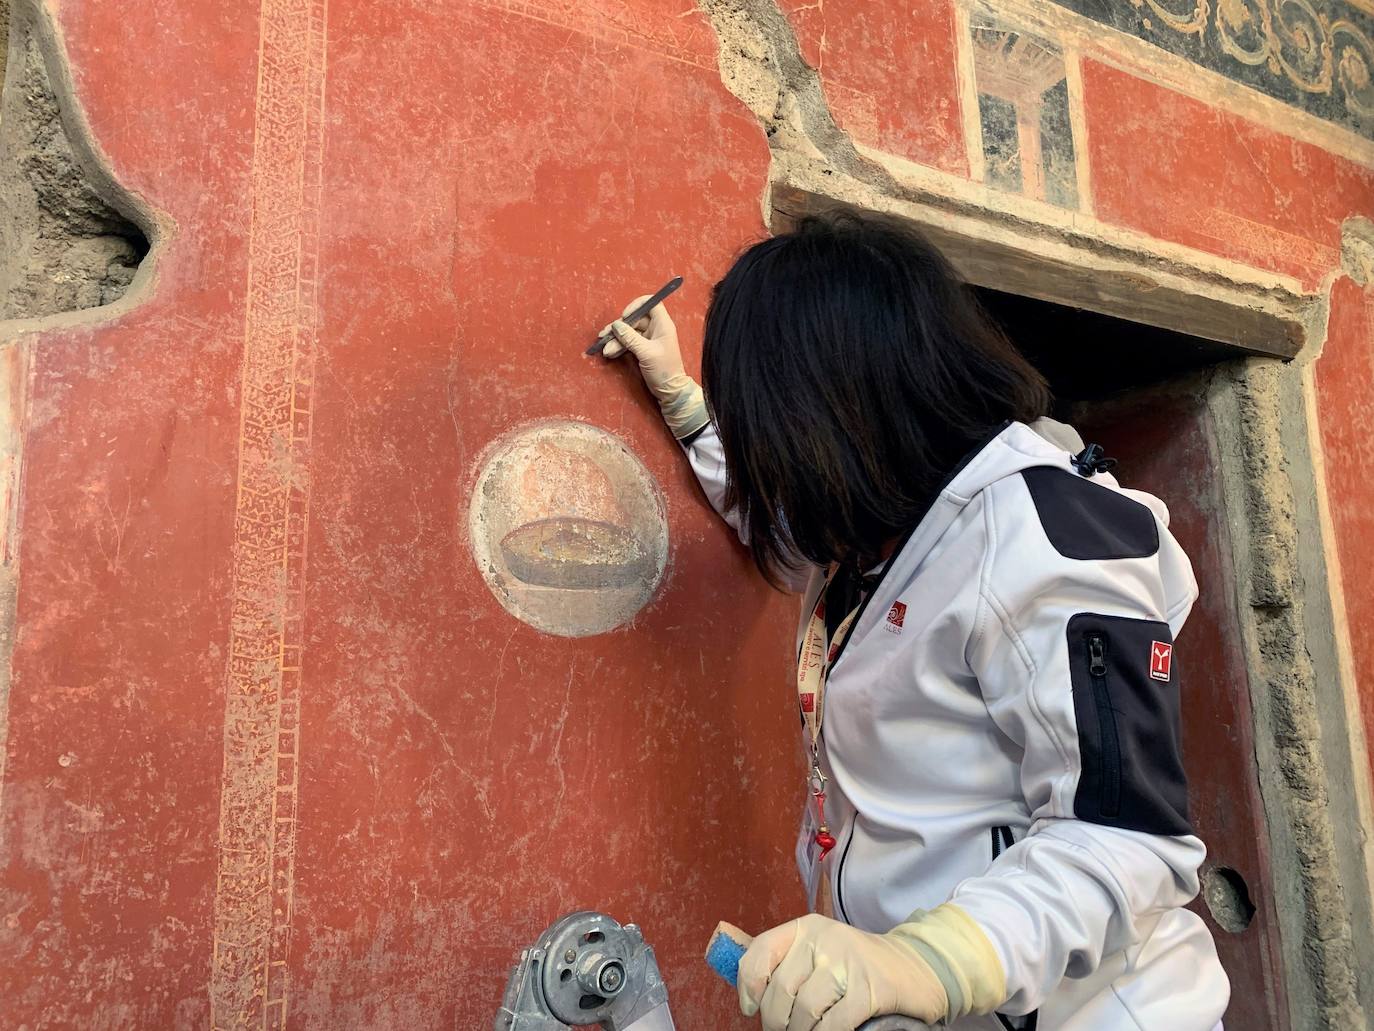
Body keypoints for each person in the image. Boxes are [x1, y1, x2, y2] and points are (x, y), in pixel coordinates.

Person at [596, 211, 1229, 1031]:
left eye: (767, 427)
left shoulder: (1043, 539)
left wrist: (925, 961)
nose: (769, 464)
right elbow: (776, 526)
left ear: (829, 409)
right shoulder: (873, 521)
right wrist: (685, 404)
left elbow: (1128, 838)